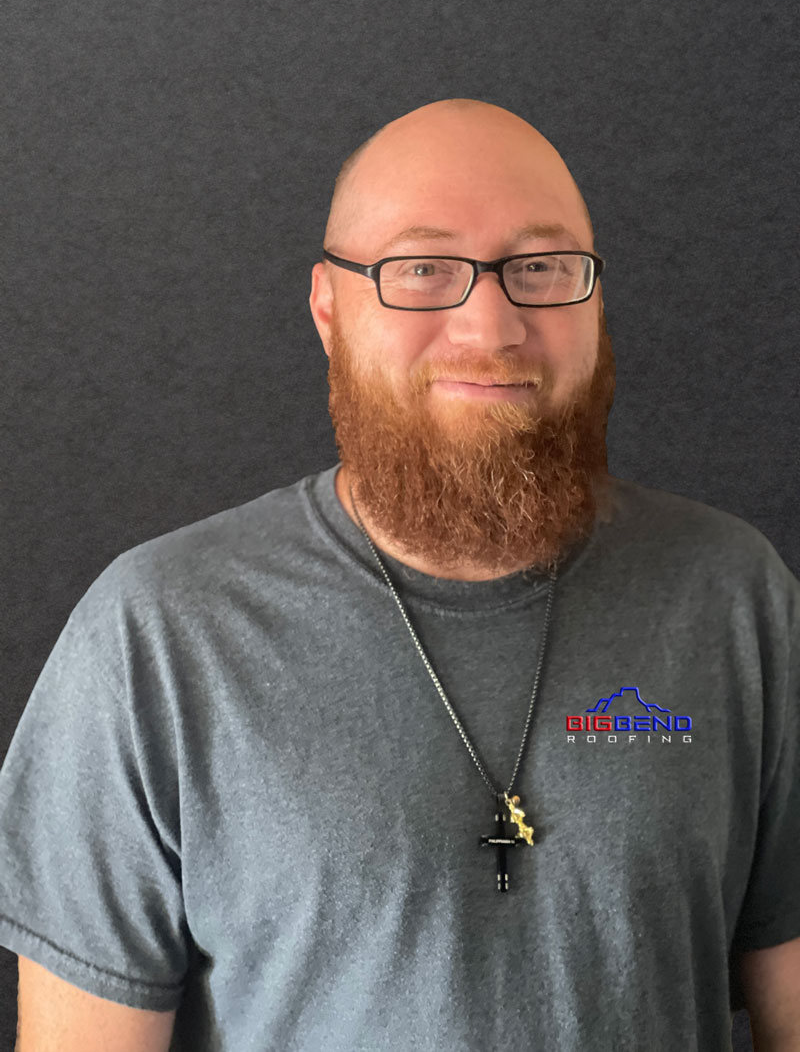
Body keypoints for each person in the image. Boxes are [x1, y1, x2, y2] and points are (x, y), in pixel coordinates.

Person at [1, 98, 798, 1051]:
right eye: (422, 270)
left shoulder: (736, 600)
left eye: (541, 267)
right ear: (328, 309)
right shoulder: (156, 638)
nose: (492, 325)